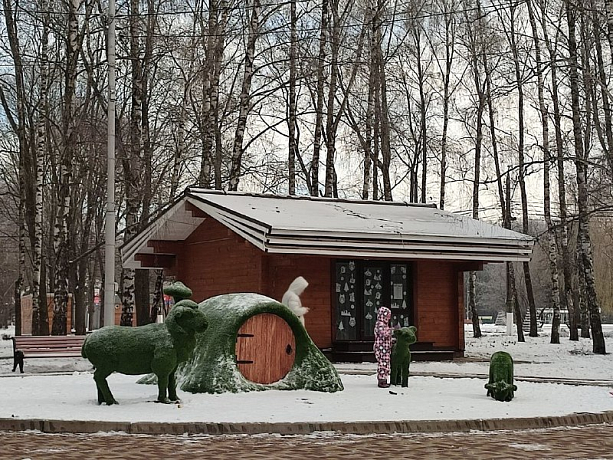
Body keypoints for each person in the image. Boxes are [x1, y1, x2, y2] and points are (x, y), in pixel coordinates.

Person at [373, 306, 392, 388]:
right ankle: (381, 380)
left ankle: (384, 378)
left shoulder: (384, 324)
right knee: (383, 363)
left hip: (385, 348)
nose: (388, 318)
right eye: (387, 316)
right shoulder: (380, 324)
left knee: (385, 363)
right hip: (381, 349)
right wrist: (392, 330)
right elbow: (383, 334)